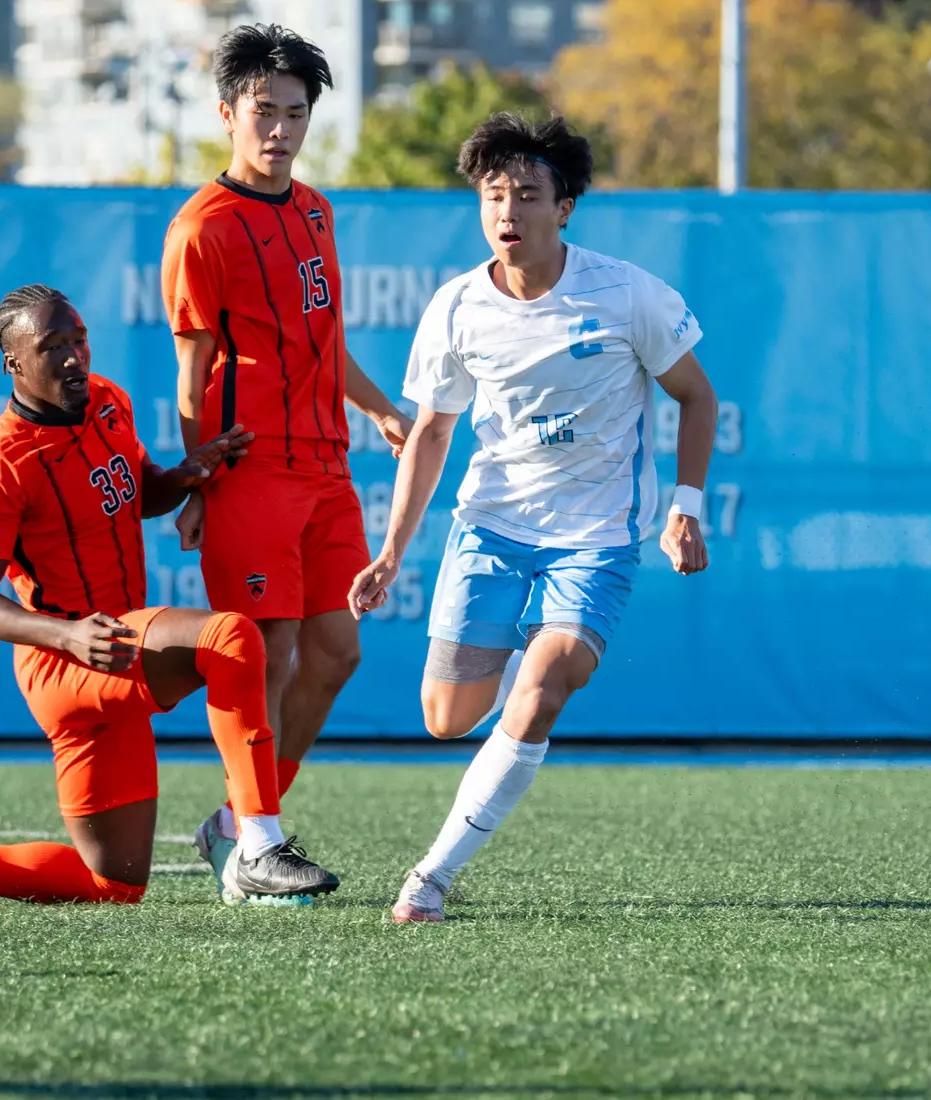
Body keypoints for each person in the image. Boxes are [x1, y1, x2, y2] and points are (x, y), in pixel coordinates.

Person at [0, 284, 340, 908]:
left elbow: (138, 493)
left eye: (78, 339)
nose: (72, 357)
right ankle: (258, 845)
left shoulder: (108, 400)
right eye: (51, 346)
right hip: (64, 658)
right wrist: (66, 635)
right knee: (232, 637)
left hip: (115, 648)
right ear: (14, 364)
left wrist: (185, 476)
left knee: (114, 886)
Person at [347, 113, 719, 923]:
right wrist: (391, 552)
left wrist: (687, 506)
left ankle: (431, 879)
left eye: (526, 194)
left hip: (594, 540)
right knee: (446, 721)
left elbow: (697, 397)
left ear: (565, 208)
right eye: (493, 195)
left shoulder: (627, 294)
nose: (507, 210)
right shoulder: (455, 308)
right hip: (491, 530)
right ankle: (526, 680)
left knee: (544, 686)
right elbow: (432, 432)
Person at [160, 23, 413, 891]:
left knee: (337, 651)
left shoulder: (316, 212)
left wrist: (382, 410)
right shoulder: (202, 228)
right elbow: (191, 379)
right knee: (263, 653)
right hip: (250, 471)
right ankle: (260, 847)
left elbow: (322, 343)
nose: (278, 128)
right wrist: (197, 482)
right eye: (263, 111)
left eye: (295, 113)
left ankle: (239, 823)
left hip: (327, 467)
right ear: (228, 112)